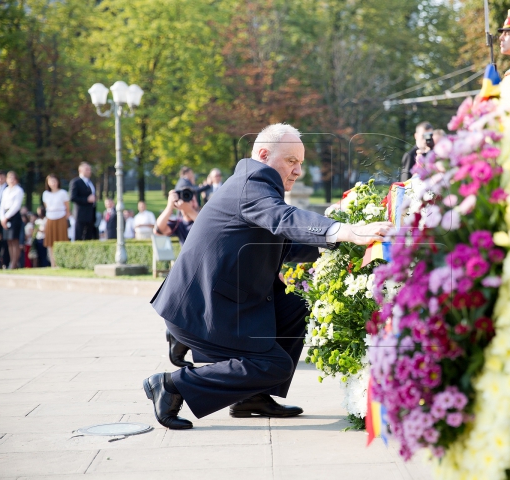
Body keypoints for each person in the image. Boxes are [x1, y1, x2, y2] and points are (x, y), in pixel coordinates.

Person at [143, 123, 392, 429]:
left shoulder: (253, 185)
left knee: (296, 306)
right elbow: (284, 218)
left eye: (301, 162)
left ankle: (252, 397)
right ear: (263, 154)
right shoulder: (252, 183)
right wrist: (345, 231)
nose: (298, 170)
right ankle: (171, 385)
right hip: (200, 309)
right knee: (274, 365)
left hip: (217, 300)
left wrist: (341, 246)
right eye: (291, 161)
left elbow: (285, 243)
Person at [154, 190, 201, 368]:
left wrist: (189, 210)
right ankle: (178, 340)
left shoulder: (204, 214)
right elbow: (158, 230)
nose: (188, 200)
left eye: (191, 196)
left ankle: (177, 338)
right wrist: (169, 206)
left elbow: (208, 225)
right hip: (188, 271)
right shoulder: (179, 223)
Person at [43, 174, 70, 267]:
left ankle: (61, 263)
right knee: (50, 242)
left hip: (61, 216)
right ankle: (53, 264)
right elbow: (47, 206)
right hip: (50, 217)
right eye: (51, 181)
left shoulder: (63, 193)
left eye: (54, 181)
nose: (53, 183)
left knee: (61, 240)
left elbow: (67, 208)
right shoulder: (45, 194)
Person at [0, 171, 24, 269]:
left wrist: (6, 217)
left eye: (13, 178)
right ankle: (11, 261)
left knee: (15, 241)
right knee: (9, 241)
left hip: (13, 217)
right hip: (5, 216)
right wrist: (2, 218)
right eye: (9, 178)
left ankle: (14, 262)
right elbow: (2, 205)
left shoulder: (18, 190)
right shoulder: (5, 191)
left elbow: (16, 206)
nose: (11, 180)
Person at [69, 162, 97, 241]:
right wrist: (86, 199)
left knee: (89, 237)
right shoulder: (76, 182)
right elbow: (73, 197)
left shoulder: (91, 182)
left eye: (90, 169)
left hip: (91, 214)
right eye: (87, 169)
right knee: (79, 237)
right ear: (80, 170)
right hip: (81, 215)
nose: (89, 171)